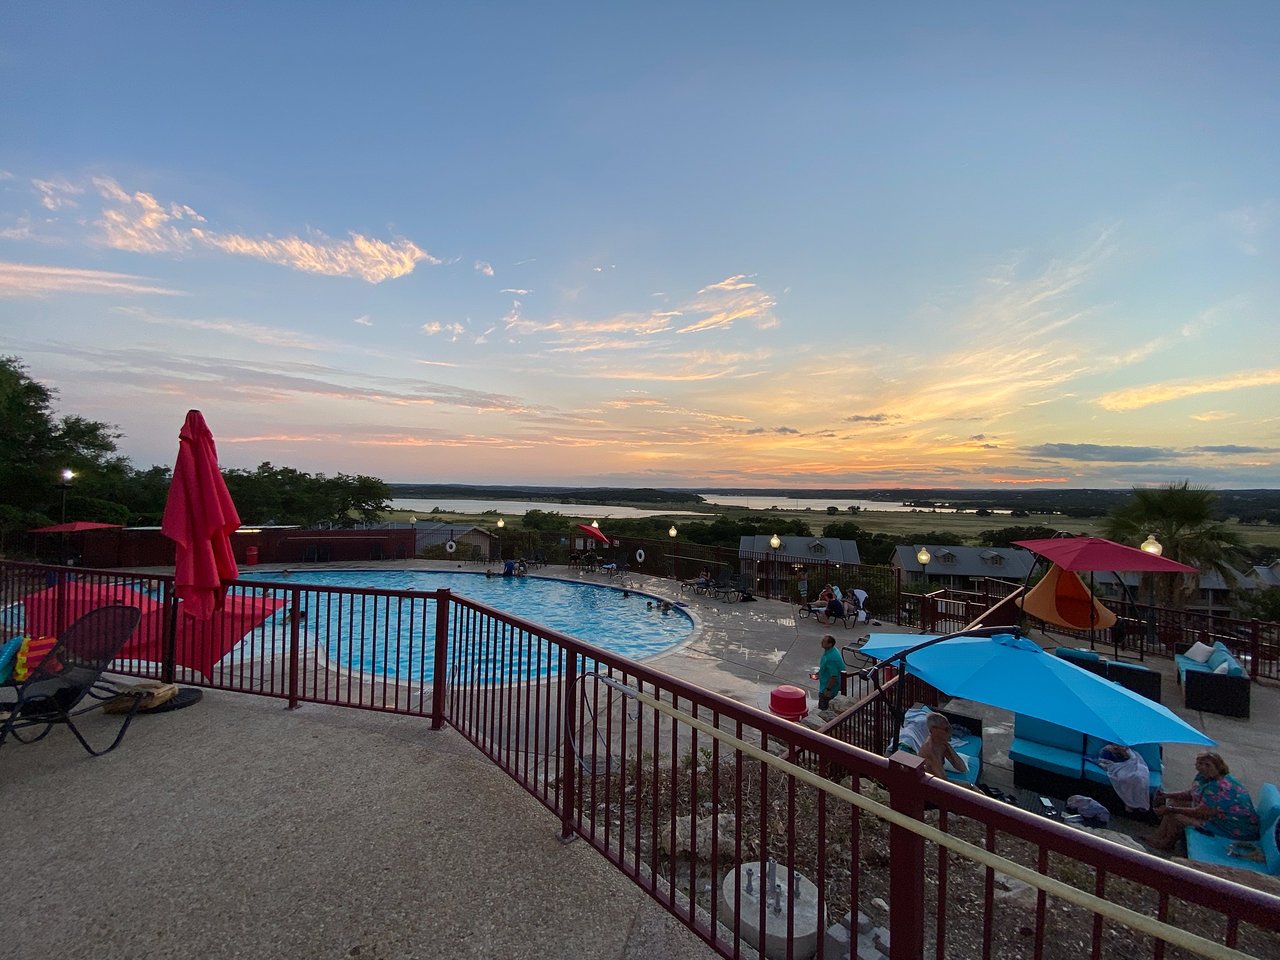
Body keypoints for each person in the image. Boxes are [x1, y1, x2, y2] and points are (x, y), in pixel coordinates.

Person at [1146, 752, 1260, 852]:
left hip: (1233, 828)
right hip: (1217, 816)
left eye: (1208, 765)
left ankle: (1167, 842)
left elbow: (1201, 813)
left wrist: (1170, 809)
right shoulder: (1205, 777)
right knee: (1175, 802)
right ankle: (1159, 835)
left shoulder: (1219, 786)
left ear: (1218, 767)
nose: (1203, 767)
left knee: (1176, 815)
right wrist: (1166, 795)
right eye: (1200, 763)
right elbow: (1193, 793)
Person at [918, 713, 967, 781]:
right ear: (934, 730)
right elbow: (943, 781)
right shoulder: (930, 750)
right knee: (972, 788)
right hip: (929, 782)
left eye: (950, 728)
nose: (950, 732)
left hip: (938, 780)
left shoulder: (941, 744)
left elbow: (962, 768)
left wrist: (948, 747)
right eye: (946, 729)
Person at [816, 635, 843, 710]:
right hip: (826, 683)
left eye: (824, 641)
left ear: (830, 644)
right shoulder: (831, 650)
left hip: (828, 687)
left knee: (823, 707)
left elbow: (834, 676)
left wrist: (828, 689)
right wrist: (819, 673)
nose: (821, 642)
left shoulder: (831, 658)